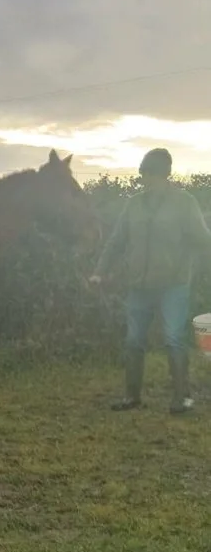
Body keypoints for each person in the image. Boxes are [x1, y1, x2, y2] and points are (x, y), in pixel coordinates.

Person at [88, 147, 211, 413]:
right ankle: (132, 397)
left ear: (165, 175)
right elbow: (117, 241)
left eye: (152, 175)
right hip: (139, 286)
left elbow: (203, 240)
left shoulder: (185, 203)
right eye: (144, 174)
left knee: (173, 338)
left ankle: (182, 398)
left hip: (174, 285)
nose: (146, 180)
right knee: (134, 340)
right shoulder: (134, 204)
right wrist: (100, 271)